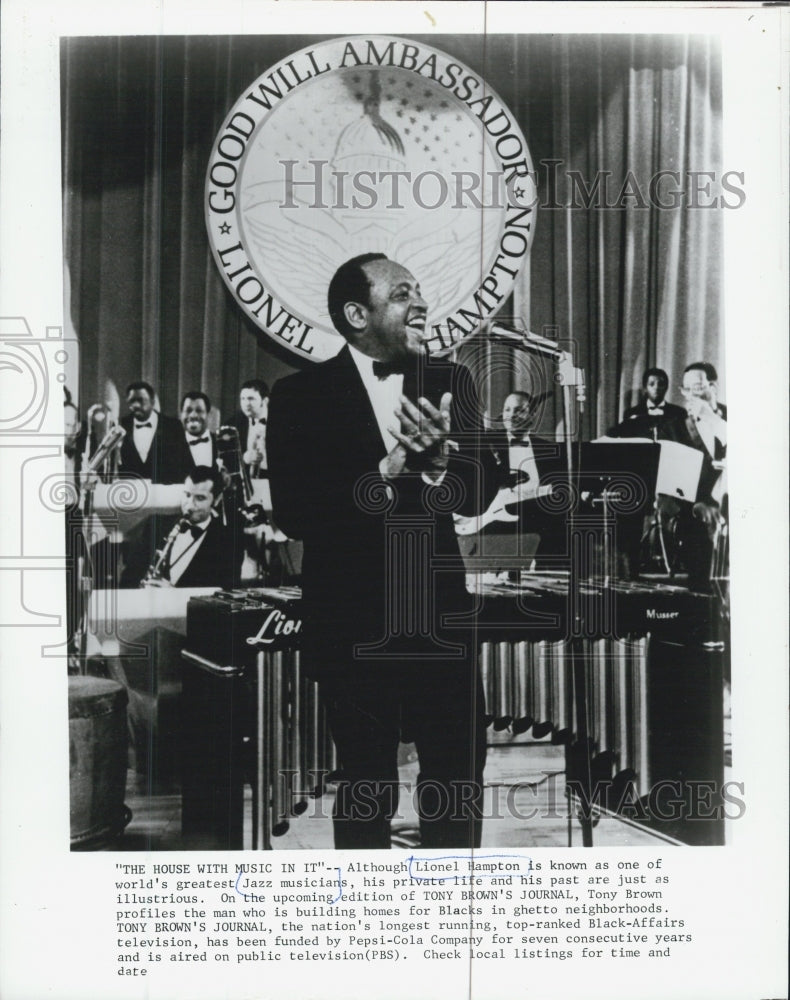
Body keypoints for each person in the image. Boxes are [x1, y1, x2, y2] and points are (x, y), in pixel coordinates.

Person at [267, 252, 497, 850]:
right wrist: (384, 469)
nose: (421, 302)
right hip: (352, 627)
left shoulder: (453, 382)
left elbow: (485, 483)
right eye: (401, 293)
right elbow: (294, 513)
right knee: (366, 789)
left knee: (455, 780)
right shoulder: (297, 397)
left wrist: (443, 470)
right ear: (356, 314)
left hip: (441, 620)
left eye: (420, 289)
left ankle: (455, 922)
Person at [127, 465, 242, 589]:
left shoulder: (229, 543)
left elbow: (227, 597)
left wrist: (175, 595)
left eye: (200, 498)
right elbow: (128, 577)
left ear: (217, 500)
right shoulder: (155, 524)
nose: (190, 505)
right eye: (187, 495)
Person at [118, 381, 185, 484]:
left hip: (164, 493)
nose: (136, 405)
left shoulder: (173, 426)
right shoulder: (121, 425)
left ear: (152, 402)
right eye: (132, 401)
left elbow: (182, 464)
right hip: (132, 494)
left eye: (141, 401)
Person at [608, 367, 686, 439]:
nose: (656, 388)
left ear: (666, 387)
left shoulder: (678, 413)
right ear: (645, 388)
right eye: (651, 384)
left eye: (661, 384)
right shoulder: (631, 413)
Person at [232, 379, 270, 479]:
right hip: (245, 482)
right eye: (243, 399)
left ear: (265, 401)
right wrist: (245, 458)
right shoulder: (234, 423)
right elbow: (227, 460)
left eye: (251, 399)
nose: (246, 403)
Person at [177, 391, 218, 479]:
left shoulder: (222, 443)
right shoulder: (170, 447)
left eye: (199, 411)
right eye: (188, 410)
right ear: (181, 415)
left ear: (209, 415)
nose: (193, 415)